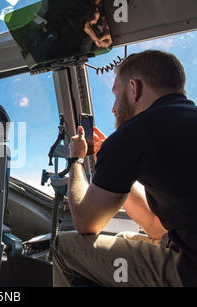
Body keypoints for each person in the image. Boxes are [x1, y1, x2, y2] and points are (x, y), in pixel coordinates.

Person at [53, 50, 197, 287]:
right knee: (125, 238)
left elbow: (86, 223)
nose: (113, 108)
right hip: (185, 247)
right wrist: (114, 167)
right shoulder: (184, 121)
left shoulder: (134, 133)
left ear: (134, 88)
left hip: (190, 270)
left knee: (62, 247)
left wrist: (76, 160)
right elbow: (153, 225)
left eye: (116, 94)